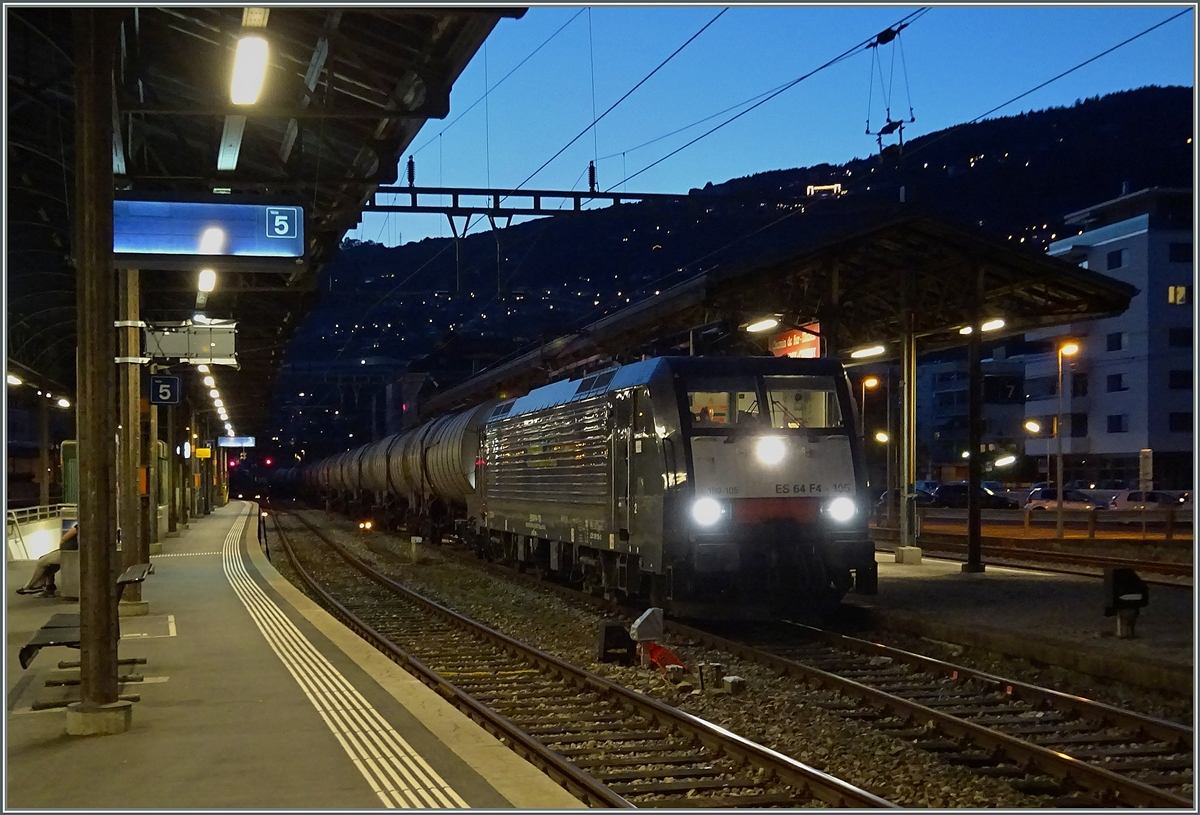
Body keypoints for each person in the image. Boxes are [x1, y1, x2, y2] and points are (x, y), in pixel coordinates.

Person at [16, 522, 77, 597]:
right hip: (74, 553)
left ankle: (31, 586)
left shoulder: (80, 525)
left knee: (41, 562)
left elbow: (66, 537)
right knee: (50, 565)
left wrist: (62, 544)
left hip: (68, 553)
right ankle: (49, 586)